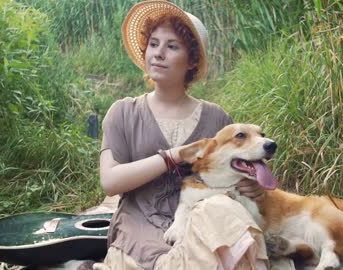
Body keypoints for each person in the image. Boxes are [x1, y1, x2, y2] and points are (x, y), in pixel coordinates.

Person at [93, 1, 295, 269]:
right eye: (153, 44)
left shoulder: (218, 120)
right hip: (139, 225)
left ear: (192, 61)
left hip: (203, 218)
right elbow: (110, 182)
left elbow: (242, 166)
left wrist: (254, 184)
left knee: (224, 213)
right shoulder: (123, 112)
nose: (158, 53)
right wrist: (173, 156)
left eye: (172, 46)